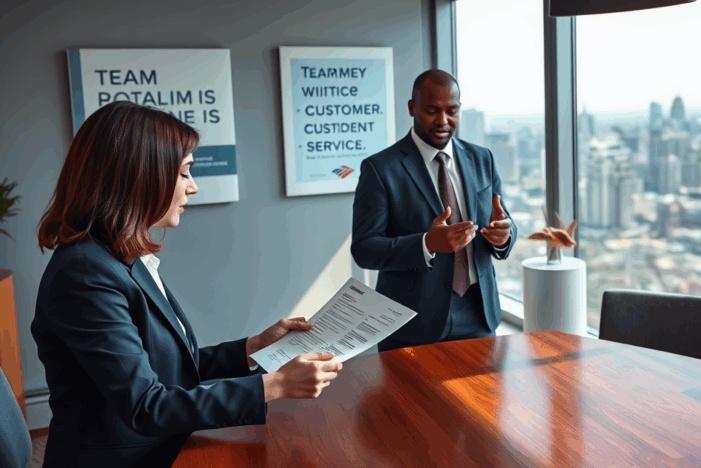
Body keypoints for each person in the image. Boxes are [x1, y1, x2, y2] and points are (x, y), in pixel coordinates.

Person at [31, 101, 343, 468]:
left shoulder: (119, 255)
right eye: (184, 173)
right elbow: (147, 405)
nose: (193, 188)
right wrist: (275, 385)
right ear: (139, 176)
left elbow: (165, 366)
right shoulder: (85, 274)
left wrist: (254, 347)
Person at [351, 69, 517, 353]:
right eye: (431, 111)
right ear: (412, 108)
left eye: (452, 111)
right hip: (412, 324)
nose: (443, 121)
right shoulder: (380, 169)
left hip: (479, 317)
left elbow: (501, 220)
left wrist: (505, 235)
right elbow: (365, 249)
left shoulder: (482, 158)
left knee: (482, 398)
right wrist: (427, 244)